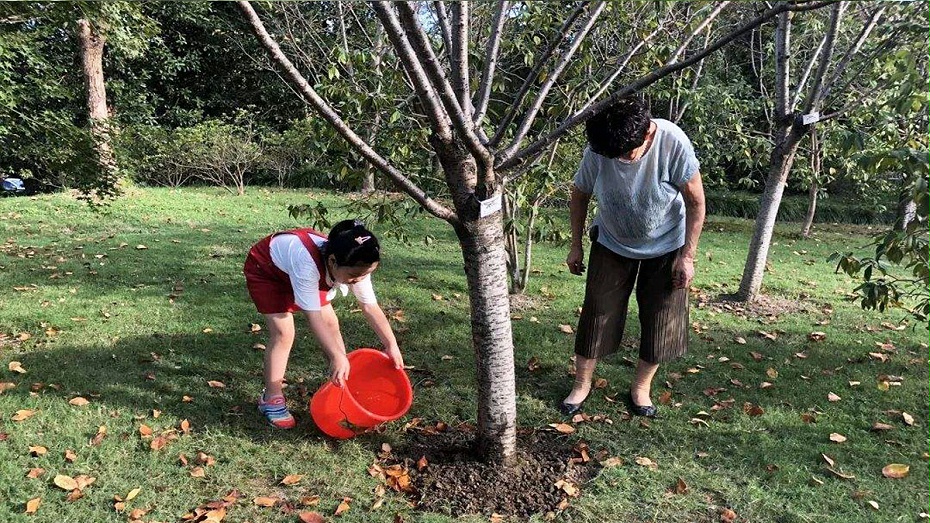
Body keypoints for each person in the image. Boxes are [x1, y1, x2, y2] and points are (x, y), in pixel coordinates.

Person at [562, 97, 705, 418]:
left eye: (626, 154)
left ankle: (641, 388)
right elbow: (579, 193)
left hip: (667, 242)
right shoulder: (602, 148)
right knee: (597, 311)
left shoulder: (672, 142)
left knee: (661, 318)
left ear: (648, 136)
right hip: (612, 240)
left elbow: (696, 202)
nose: (620, 161)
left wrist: (688, 256)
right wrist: (575, 245)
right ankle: (581, 384)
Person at [243, 219, 403, 429]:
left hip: (307, 270)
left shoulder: (357, 263)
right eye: (354, 276)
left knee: (331, 321)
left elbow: (370, 307)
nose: (359, 279)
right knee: (284, 332)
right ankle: (271, 399)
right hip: (267, 270)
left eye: (367, 274)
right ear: (333, 261)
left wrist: (391, 344)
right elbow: (313, 317)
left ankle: (341, 382)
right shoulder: (307, 263)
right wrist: (337, 356)